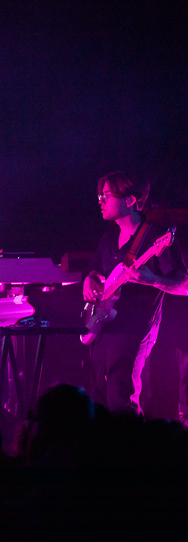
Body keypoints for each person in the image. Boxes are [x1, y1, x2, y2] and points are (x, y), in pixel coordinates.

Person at [83, 171, 188, 415]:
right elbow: (95, 270)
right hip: (104, 328)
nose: (101, 201)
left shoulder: (156, 237)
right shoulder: (109, 237)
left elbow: (184, 285)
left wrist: (152, 280)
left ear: (130, 200)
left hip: (135, 329)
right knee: (98, 398)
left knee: (121, 398)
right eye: (100, 196)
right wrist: (89, 280)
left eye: (107, 196)